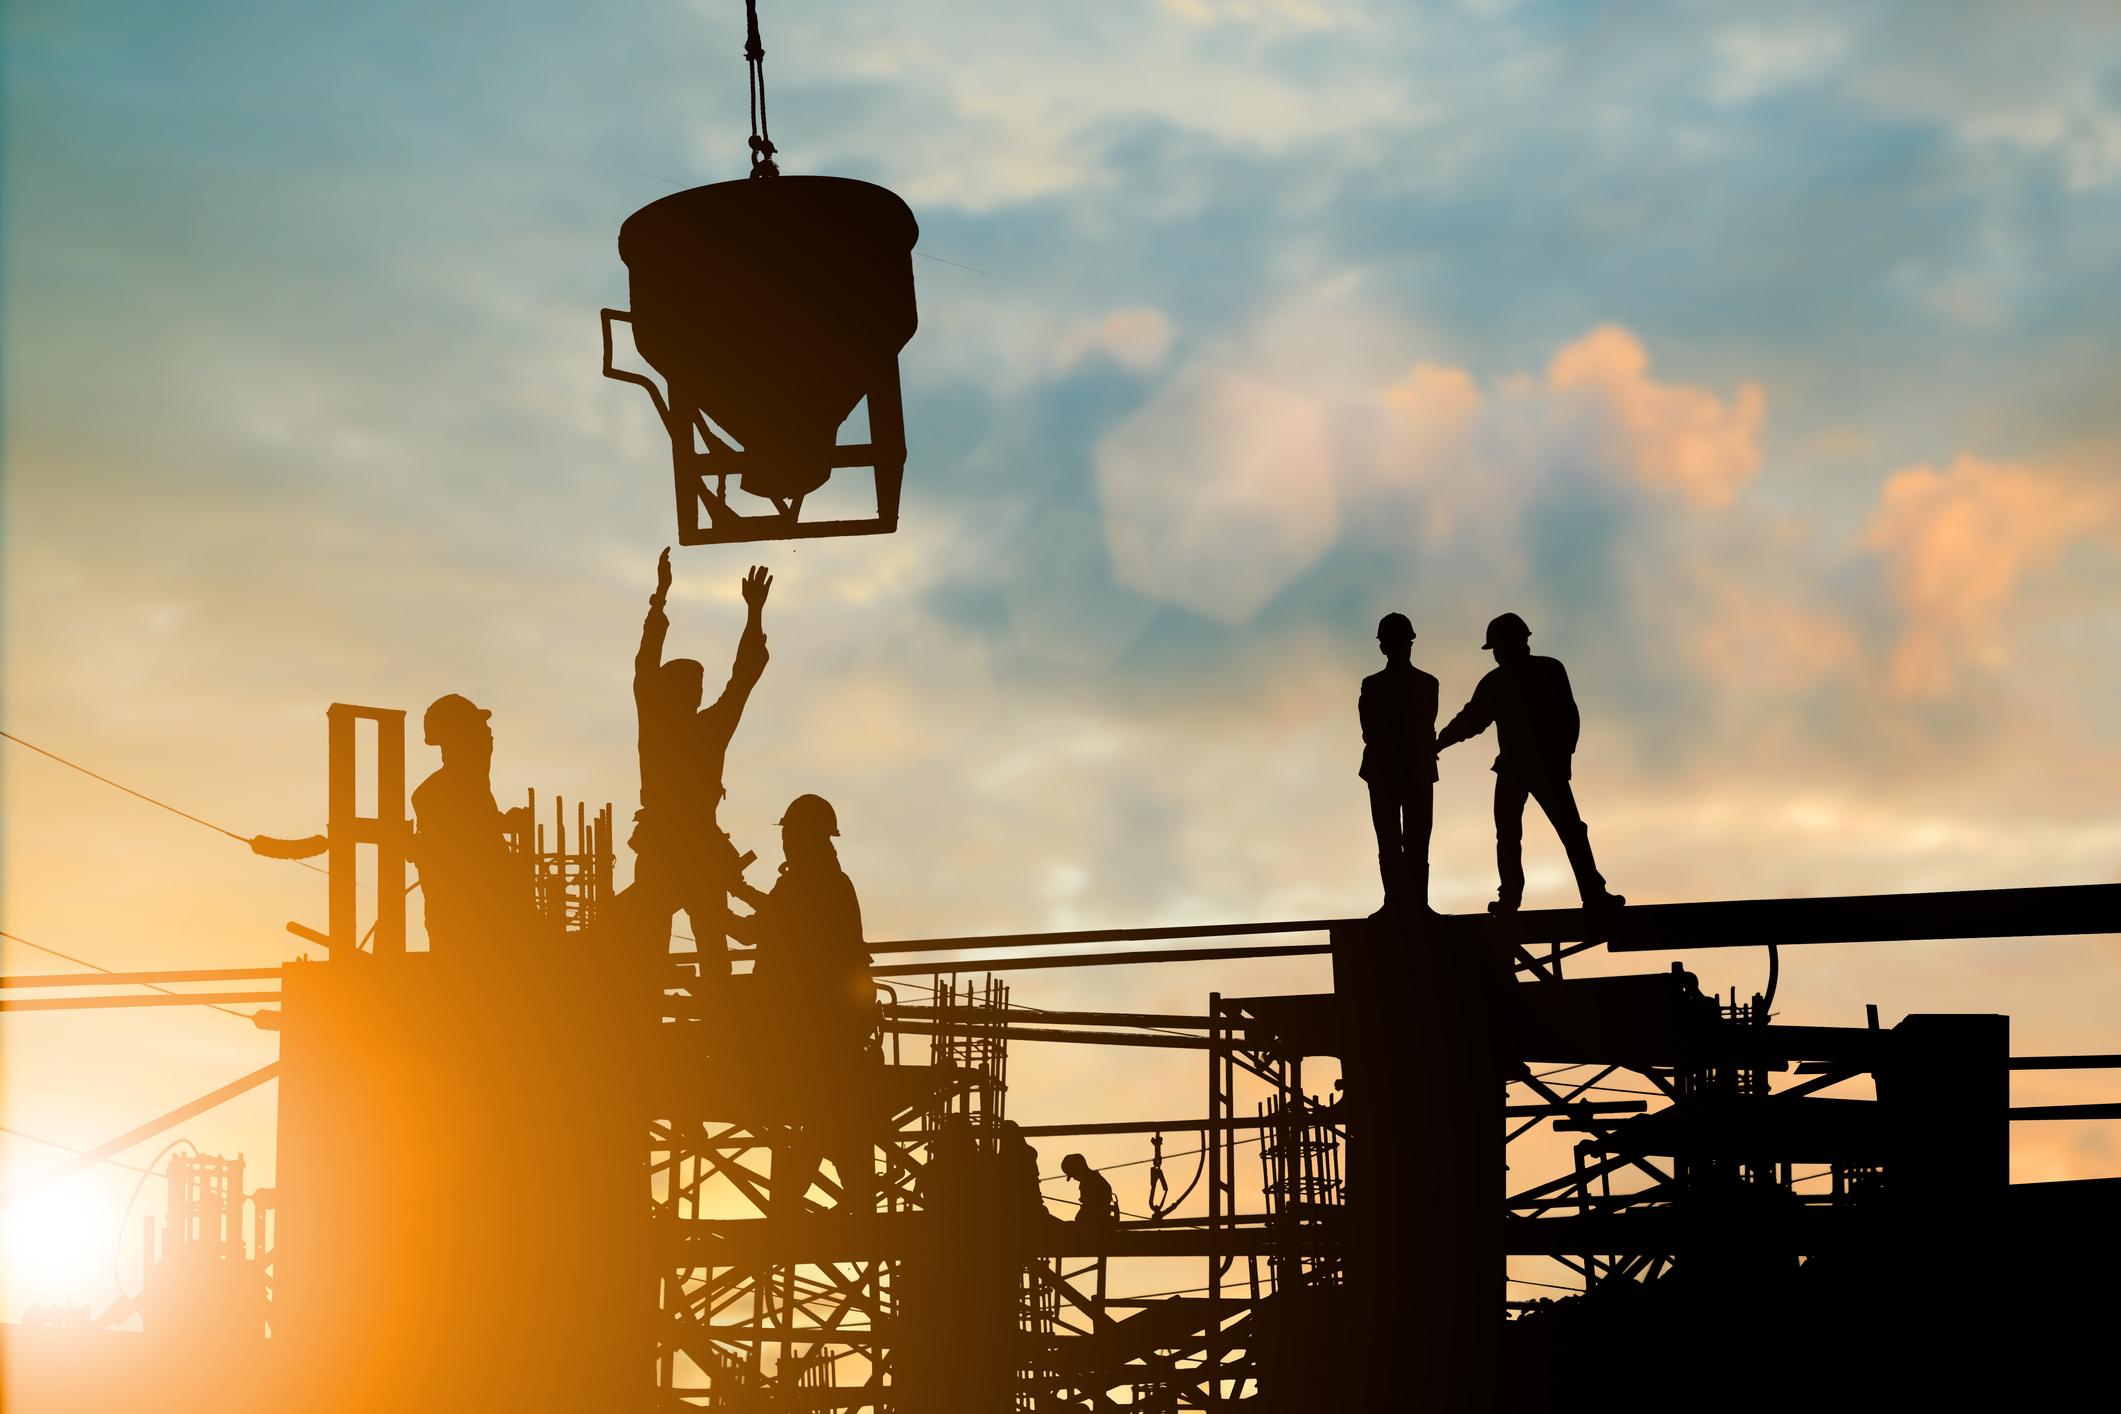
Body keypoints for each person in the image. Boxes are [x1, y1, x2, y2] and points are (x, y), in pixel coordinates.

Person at [731, 793, 877, 1218]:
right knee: (830, 1119)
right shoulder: (826, 880)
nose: (785, 843)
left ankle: (796, 1207)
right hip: (834, 1026)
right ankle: (845, 1200)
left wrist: (722, 897)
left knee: (820, 1117)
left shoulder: (809, 882)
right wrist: (736, 891)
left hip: (815, 1026)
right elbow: (771, 918)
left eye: (790, 834)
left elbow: (758, 929)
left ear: (804, 836)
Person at [633, 549, 771, 970]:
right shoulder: (686, 728)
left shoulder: (664, 726)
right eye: (693, 686)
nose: (698, 692)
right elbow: (742, 676)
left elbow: (744, 675)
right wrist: (752, 614)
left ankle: (677, 1007)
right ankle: (711, 1010)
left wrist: (661, 598)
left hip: (669, 847)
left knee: (685, 944)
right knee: (701, 944)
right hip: (686, 848)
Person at [1436, 613, 1624, 916]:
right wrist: (1440, 742)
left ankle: (1574, 894)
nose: (1496, 654)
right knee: (1533, 832)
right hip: (1521, 767)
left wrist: (1563, 757)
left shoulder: (1532, 674)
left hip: (1534, 767)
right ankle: (1577, 894)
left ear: (1513, 644)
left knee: (1549, 832)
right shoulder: (1522, 676)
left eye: (1497, 647)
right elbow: (1472, 720)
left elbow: (1567, 717)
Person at [408, 693, 535, 951]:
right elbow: (466, 841)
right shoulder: (435, 794)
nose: (489, 737)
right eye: (480, 730)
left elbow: (475, 825)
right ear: (460, 740)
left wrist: (503, 823)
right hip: (472, 930)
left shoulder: (469, 788)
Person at [1358, 612, 1439, 917]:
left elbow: (1370, 729)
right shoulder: (1426, 684)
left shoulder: (1375, 685)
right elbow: (1423, 725)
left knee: (1400, 842)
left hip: (1393, 771)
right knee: (1405, 842)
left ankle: (1403, 903)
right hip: (1404, 771)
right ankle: (1408, 903)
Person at [1059, 1153, 1118, 1230]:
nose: (1073, 1178)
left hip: (1094, 1227)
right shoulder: (1092, 1180)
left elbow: (1090, 1211)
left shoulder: (1090, 1183)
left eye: (1072, 1174)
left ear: (1078, 1169)